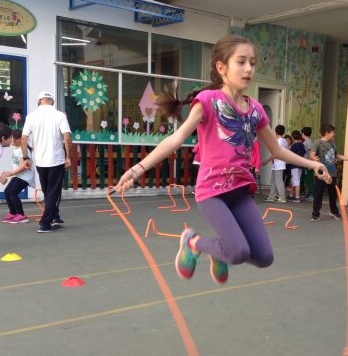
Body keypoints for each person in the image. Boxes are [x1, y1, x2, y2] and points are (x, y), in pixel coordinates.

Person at [114, 35, 331, 285]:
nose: (249, 68)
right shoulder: (208, 101)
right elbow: (176, 139)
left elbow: (278, 150)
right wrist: (137, 169)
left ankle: (218, 253)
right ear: (221, 67)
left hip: (239, 190)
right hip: (212, 191)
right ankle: (193, 242)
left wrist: (313, 164)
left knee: (263, 256)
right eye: (241, 62)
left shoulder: (256, 110)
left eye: (252, 62)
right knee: (237, 251)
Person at [21, 91, 72, 233]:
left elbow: (24, 138)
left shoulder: (31, 116)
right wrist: (68, 157)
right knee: (53, 193)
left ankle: (55, 217)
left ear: (39, 102)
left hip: (39, 160)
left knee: (47, 190)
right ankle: (45, 223)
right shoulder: (59, 115)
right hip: (56, 159)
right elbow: (67, 137)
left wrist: (25, 158)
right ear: (52, 102)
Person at [309, 123, 348, 221]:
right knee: (318, 193)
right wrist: (314, 158)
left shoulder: (332, 144)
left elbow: (338, 156)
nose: (334, 134)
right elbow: (312, 154)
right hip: (321, 173)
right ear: (327, 133)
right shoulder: (317, 142)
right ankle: (315, 214)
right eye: (333, 132)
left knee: (333, 194)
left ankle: (334, 211)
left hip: (332, 173)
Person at [1, 129, 36, 223]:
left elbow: (23, 166)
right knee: (7, 192)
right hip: (18, 175)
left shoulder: (23, 150)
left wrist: (11, 173)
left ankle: (22, 215)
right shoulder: (16, 148)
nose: (10, 139)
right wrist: (13, 174)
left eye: (12, 138)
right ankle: (13, 213)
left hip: (25, 176)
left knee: (12, 193)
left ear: (19, 140)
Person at [264, 124, 288, 203]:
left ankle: (282, 197)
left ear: (276, 132)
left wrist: (267, 160)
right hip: (278, 163)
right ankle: (272, 196)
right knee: (273, 181)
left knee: (278, 181)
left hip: (278, 163)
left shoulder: (278, 141)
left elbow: (275, 152)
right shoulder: (284, 141)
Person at [287, 129, 307, 202]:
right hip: (300, 165)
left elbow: (290, 155)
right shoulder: (302, 144)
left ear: (293, 137)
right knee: (294, 180)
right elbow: (304, 153)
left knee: (296, 180)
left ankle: (297, 197)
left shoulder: (294, 146)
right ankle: (291, 195)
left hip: (294, 165)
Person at [300, 126, 314, 199]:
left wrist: (309, 164)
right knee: (305, 178)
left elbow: (310, 153)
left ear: (303, 134)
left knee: (309, 179)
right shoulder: (307, 141)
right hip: (306, 163)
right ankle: (308, 193)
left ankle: (312, 194)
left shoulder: (307, 142)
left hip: (307, 164)